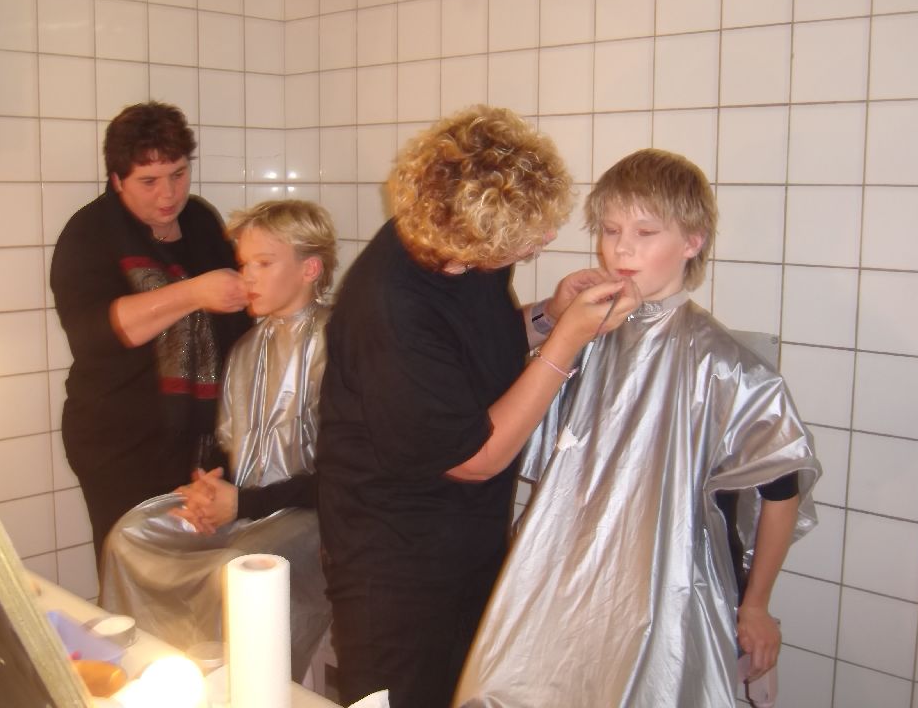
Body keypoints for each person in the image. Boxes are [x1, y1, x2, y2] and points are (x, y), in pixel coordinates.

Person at [453, 149, 822, 708]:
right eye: (610, 230)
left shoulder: (722, 364)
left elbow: (780, 486)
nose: (621, 249)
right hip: (561, 573)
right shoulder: (585, 337)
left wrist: (756, 604)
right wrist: (560, 326)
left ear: (692, 241)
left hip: (664, 586)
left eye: (645, 232)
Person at [316, 105, 641, 708]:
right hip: (395, 562)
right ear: (467, 241)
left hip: (465, 539)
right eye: (527, 238)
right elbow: (474, 458)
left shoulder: (456, 247)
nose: (544, 241)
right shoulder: (390, 307)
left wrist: (548, 316)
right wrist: (567, 343)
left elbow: (469, 351)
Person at [99, 199, 336, 678]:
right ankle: (153, 677)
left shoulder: (341, 344)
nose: (248, 277)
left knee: (238, 566)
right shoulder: (247, 347)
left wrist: (241, 503)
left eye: (264, 264)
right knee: (130, 534)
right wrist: (208, 490)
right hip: (248, 503)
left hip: (319, 511)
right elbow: (234, 449)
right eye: (244, 264)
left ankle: (239, 686)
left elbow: (344, 475)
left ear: (310, 269)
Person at [50, 101, 252, 560]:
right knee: (133, 569)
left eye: (178, 174)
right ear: (117, 179)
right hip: (120, 445)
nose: (169, 193)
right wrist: (194, 292)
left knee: (198, 571)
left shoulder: (200, 220)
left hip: (204, 441)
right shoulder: (89, 234)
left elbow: (237, 324)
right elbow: (94, 333)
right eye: (149, 181)